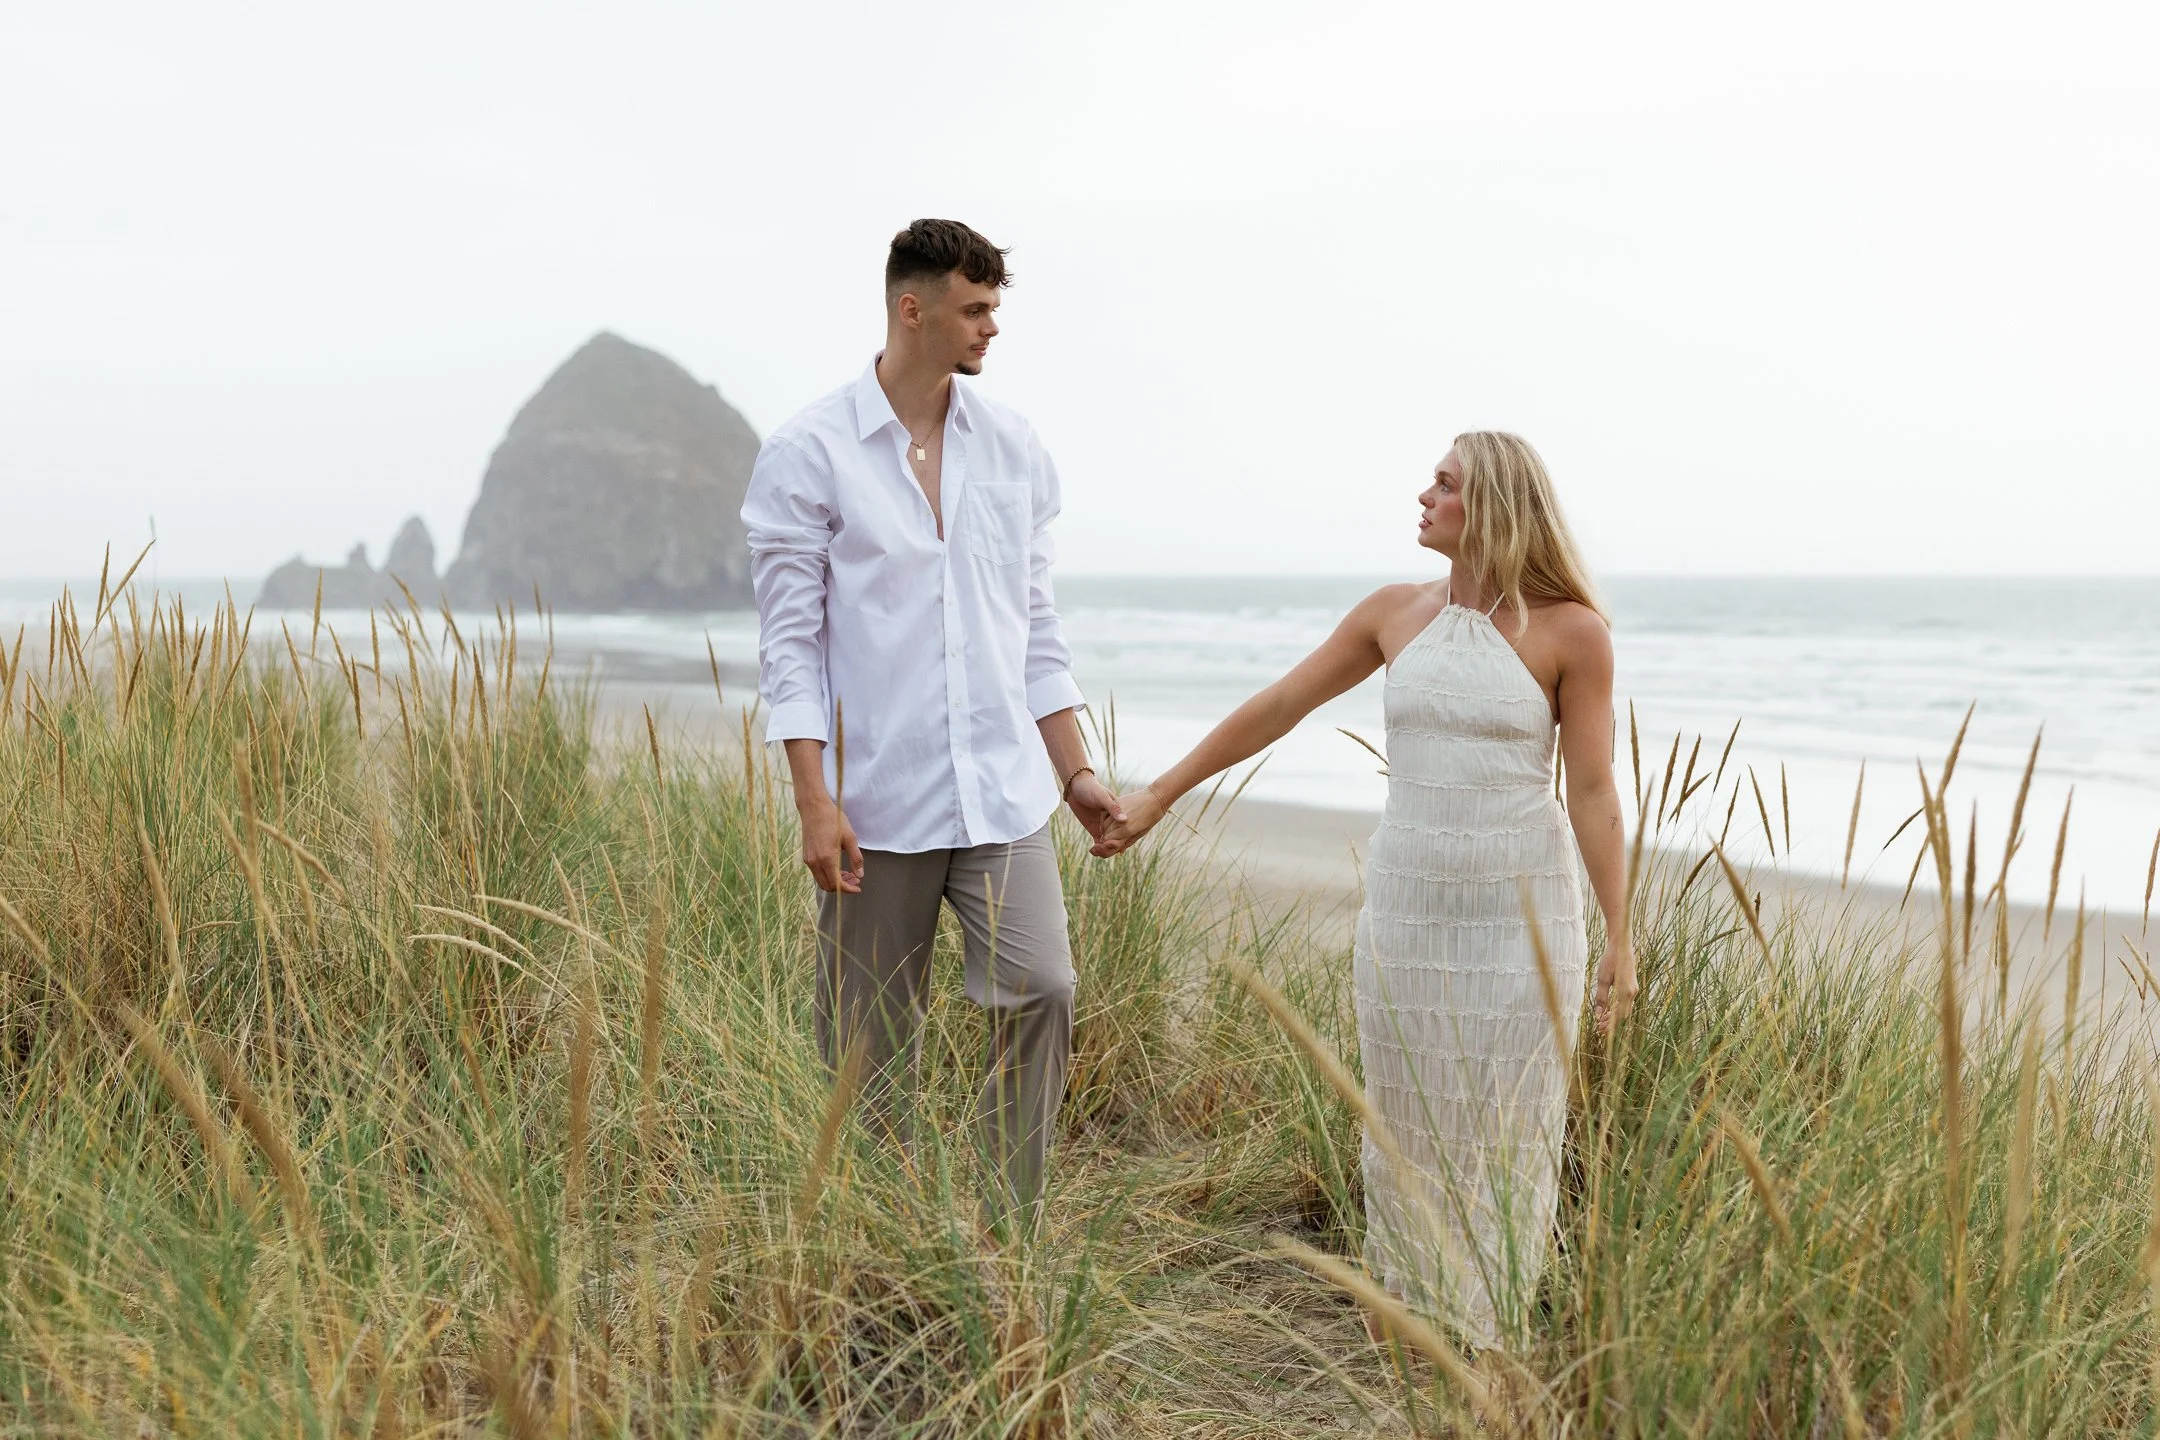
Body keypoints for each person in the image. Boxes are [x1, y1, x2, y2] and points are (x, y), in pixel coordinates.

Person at [1091, 432, 1635, 1348]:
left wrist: (1622, 935)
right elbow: (1280, 703)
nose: (1424, 494)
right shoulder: (1393, 613)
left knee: (1508, 1134)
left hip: (1522, 923)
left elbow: (1591, 790)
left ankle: (1485, 1347)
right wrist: (1160, 794)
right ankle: (1407, 1341)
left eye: (1446, 483)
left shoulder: (1571, 631)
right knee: (1408, 1126)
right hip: (1410, 913)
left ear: (1494, 505)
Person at [741, 219, 1122, 1225]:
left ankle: (1007, 1232)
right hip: (878, 799)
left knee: (1042, 987)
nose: (991, 328)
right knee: (866, 1043)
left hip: (1002, 790)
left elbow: (1034, 626)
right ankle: (874, 1236)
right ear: (912, 309)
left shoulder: (1015, 451)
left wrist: (1075, 771)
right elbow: (791, 648)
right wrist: (813, 801)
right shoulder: (806, 455)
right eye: (974, 309)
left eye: (994, 307)